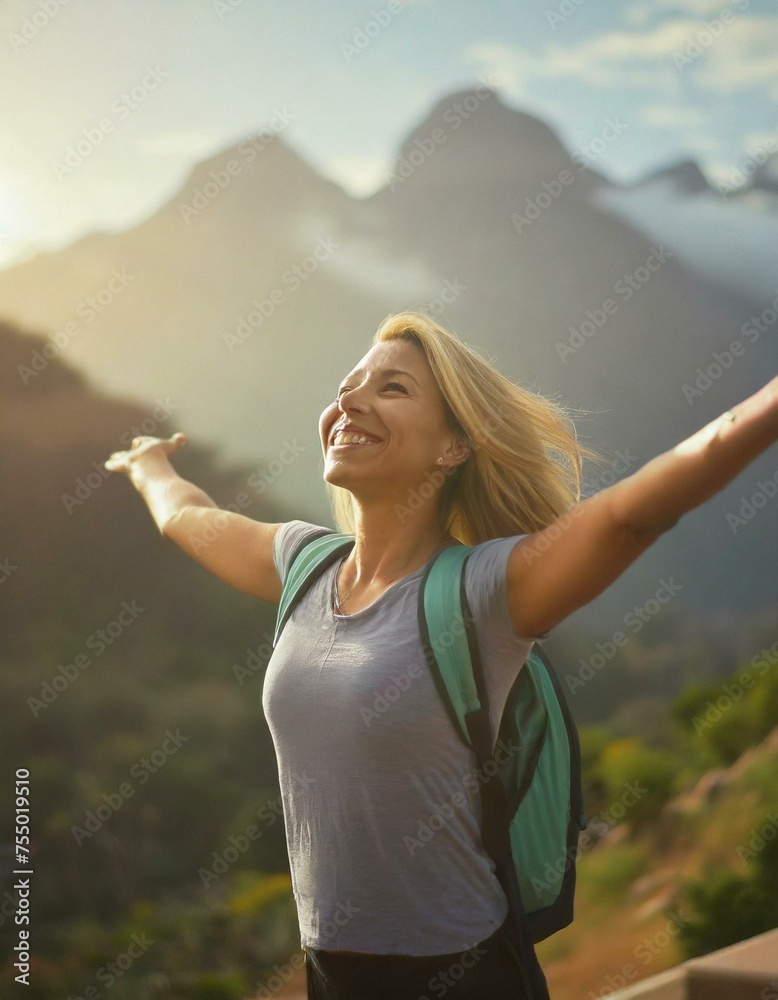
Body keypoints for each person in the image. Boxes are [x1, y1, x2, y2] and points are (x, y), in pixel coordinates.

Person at [105, 311, 777, 1000]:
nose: (350, 402)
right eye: (348, 385)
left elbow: (628, 516)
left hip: (461, 975)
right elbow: (185, 516)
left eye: (392, 389)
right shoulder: (303, 565)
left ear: (454, 446)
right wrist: (149, 463)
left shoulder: (485, 593)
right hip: (331, 971)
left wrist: (764, 408)